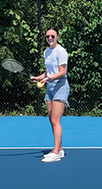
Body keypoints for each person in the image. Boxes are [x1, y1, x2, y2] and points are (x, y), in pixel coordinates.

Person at [30, 27, 70, 163]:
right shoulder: (46, 52)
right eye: (48, 36)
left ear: (57, 37)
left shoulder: (61, 51)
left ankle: (56, 152)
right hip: (50, 87)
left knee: (55, 120)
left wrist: (50, 78)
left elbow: (62, 71)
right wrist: (38, 77)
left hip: (60, 87)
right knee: (51, 119)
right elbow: (48, 72)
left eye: (52, 36)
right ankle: (60, 148)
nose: (50, 38)